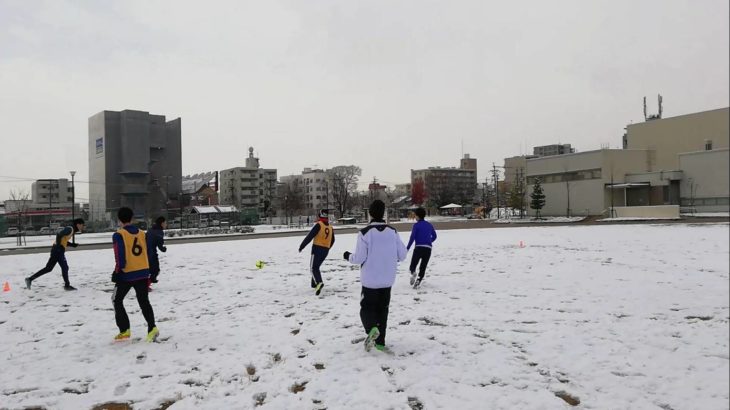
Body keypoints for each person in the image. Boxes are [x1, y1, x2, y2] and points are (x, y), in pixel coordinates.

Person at [343, 200, 407, 352]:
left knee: (366, 308)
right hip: (387, 279)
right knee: (383, 310)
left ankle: (371, 329)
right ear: (384, 213)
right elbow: (403, 255)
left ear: (369, 213)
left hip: (370, 280)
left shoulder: (364, 233)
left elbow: (359, 258)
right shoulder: (393, 232)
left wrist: (348, 256)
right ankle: (380, 342)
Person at [111, 207, 158, 342]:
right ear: (132, 218)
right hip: (143, 271)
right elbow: (148, 253)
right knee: (144, 301)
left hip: (127, 273)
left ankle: (124, 329)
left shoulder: (119, 234)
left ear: (119, 219)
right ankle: (152, 327)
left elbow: (119, 255)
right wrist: (150, 271)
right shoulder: (142, 233)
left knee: (116, 300)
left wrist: (117, 271)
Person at [25, 218, 85, 291]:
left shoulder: (71, 230)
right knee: (64, 267)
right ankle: (67, 286)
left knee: (49, 268)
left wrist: (72, 245)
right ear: (78, 224)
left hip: (57, 250)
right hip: (57, 250)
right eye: (82, 225)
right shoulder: (70, 229)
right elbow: (59, 235)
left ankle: (30, 279)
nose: (83, 227)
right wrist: (59, 247)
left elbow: (63, 240)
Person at [299, 209, 335, 296]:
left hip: (317, 249)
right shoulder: (330, 227)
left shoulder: (319, 225)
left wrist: (302, 246)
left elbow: (310, 236)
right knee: (316, 267)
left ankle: (319, 282)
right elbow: (333, 240)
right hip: (325, 250)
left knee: (313, 268)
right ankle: (314, 284)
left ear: (320, 216)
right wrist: (327, 248)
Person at [406, 207, 437, 289]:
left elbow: (412, 238)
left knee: (413, 265)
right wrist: (429, 241)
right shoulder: (429, 225)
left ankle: (413, 273)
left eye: (415, 216)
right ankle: (418, 280)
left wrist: (407, 248)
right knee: (423, 266)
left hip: (418, 248)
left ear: (418, 216)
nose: (415, 217)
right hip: (428, 249)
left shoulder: (416, 225)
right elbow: (435, 236)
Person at [145, 216, 167, 290]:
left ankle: (146, 283)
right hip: (151, 253)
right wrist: (164, 249)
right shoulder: (159, 232)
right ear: (162, 223)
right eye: (165, 223)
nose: (166, 224)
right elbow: (160, 246)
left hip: (144, 253)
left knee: (147, 270)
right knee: (155, 270)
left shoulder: (150, 230)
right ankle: (146, 285)